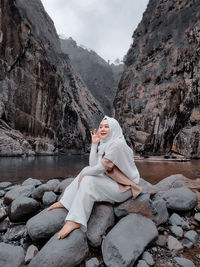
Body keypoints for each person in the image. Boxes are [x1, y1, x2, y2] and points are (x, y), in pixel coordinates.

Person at [47, 115, 141, 239]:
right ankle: (66, 202)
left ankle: (76, 220)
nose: (102, 129)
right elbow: (93, 166)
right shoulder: (106, 143)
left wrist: (85, 174)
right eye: (101, 126)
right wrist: (94, 144)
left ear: (114, 128)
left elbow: (99, 169)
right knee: (86, 172)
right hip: (114, 180)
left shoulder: (117, 144)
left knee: (88, 180)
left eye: (107, 127)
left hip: (125, 188)